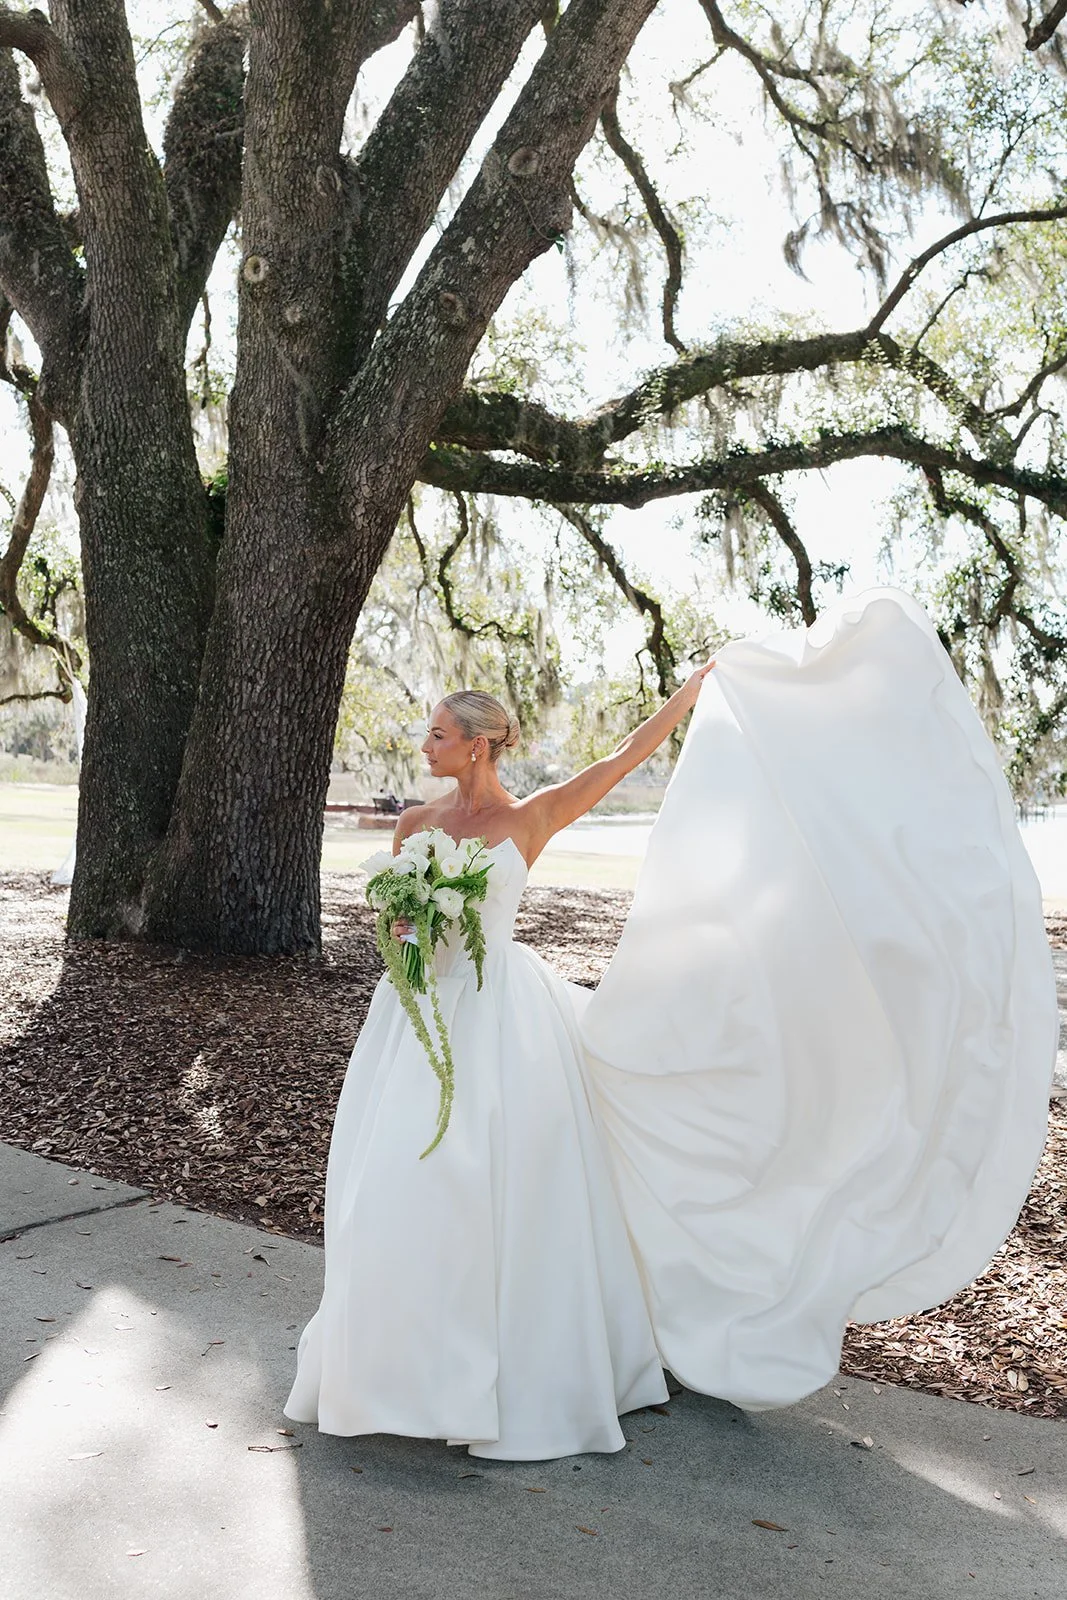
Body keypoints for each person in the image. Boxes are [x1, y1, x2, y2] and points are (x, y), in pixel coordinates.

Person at [285, 588, 1057, 1459]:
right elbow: (390, 920)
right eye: (425, 733)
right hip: (413, 1014)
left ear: (476, 744)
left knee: (490, 1179)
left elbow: (620, 759)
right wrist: (397, 930)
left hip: (498, 1016)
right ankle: (389, 1363)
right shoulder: (416, 825)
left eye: (435, 735)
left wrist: (690, 695)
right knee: (394, 1176)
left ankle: (496, 1368)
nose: (422, 746)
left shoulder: (528, 818)